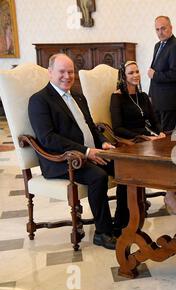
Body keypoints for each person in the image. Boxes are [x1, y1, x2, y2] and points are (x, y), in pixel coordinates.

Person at [28, 53, 128, 250]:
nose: (67, 76)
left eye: (70, 72)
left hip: (90, 153)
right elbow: (48, 138)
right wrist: (85, 151)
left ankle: (121, 224)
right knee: (98, 176)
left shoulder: (78, 95)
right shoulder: (39, 100)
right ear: (50, 73)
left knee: (126, 168)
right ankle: (103, 232)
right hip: (61, 160)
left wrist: (102, 143)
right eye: (62, 72)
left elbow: (91, 126)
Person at [114, 61, 176, 215]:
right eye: (131, 73)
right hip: (134, 141)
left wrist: (160, 133)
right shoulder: (117, 98)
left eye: (137, 71)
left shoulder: (143, 96)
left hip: (151, 138)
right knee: (169, 159)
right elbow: (118, 128)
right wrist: (144, 137)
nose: (135, 75)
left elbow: (154, 120)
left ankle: (174, 195)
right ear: (123, 77)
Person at [148, 16, 176, 133]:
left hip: (169, 99)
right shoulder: (158, 45)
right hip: (157, 99)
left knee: (166, 136)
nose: (160, 32)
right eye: (157, 29)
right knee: (158, 134)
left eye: (163, 28)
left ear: (171, 28)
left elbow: (175, 74)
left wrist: (155, 75)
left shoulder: (175, 46)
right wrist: (151, 94)